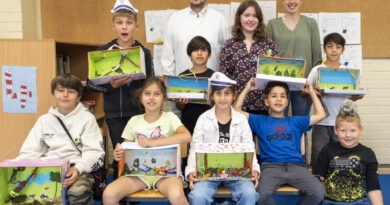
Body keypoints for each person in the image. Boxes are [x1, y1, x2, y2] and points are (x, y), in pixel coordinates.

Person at [87, 0, 154, 179]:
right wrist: (112, 85)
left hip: (138, 113)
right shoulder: (103, 51)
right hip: (114, 114)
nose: (124, 27)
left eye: (129, 22)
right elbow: (91, 84)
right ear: (113, 26)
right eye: (119, 23)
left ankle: (140, 188)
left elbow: (151, 84)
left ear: (136, 26)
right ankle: (120, 192)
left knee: (139, 154)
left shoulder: (144, 53)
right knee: (120, 153)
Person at [234, 78, 326, 205]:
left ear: (287, 102)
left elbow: (321, 114)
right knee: (260, 196)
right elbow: (236, 111)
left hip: (296, 167)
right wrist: (247, 89)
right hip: (270, 167)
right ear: (266, 102)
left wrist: (311, 92)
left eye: (282, 96)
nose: (278, 99)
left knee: (318, 192)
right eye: (274, 96)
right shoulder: (259, 121)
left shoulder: (296, 121)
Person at [17, 74, 105, 204]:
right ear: (53, 93)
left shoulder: (87, 119)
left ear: (78, 97)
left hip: (77, 168)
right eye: (60, 90)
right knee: (24, 194)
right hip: (47, 169)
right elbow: (30, 151)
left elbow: (95, 152)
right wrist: (19, 168)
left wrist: (78, 168)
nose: (65, 95)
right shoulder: (44, 120)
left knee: (77, 192)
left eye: (71, 92)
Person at [102, 77, 191, 205]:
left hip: (166, 176)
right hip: (138, 175)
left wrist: (154, 142)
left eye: (157, 94)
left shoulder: (170, 117)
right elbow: (125, 148)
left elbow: (186, 136)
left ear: (164, 98)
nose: (151, 98)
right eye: (147, 93)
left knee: (177, 196)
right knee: (109, 194)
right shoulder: (134, 120)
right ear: (141, 97)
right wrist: (118, 154)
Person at [185, 72, 260, 204]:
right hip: (208, 174)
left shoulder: (241, 120)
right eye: (218, 94)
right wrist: (191, 171)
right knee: (198, 196)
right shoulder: (203, 119)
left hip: (236, 174)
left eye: (227, 93)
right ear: (212, 96)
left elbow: (249, 147)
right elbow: (194, 148)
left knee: (249, 194)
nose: (222, 98)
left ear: (233, 96)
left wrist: (254, 169)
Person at [307, 32, 364, 171]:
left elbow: (351, 95)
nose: (334, 50)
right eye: (330, 46)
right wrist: (313, 91)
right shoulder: (317, 70)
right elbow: (305, 91)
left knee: (341, 156)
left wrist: (357, 96)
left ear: (343, 50)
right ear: (324, 49)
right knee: (318, 155)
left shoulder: (348, 72)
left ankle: (339, 182)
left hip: (342, 122)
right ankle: (317, 182)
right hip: (321, 122)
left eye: (338, 47)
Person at [313, 99, 384, 205]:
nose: (348, 135)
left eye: (353, 130)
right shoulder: (327, 150)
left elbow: (373, 186)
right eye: (343, 130)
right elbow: (318, 179)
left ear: (360, 130)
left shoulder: (368, 154)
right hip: (330, 202)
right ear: (335, 130)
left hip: (358, 202)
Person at [220, 0, 279, 115]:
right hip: (237, 106)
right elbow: (224, 78)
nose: (251, 20)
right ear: (239, 18)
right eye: (247, 15)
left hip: (264, 107)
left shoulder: (269, 45)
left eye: (255, 16)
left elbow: (275, 76)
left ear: (259, 20)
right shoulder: (229, 45)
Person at [266, 0, 322, 116]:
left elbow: (317, 56)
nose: (292, 2)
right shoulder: (272, 25)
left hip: (304, 86)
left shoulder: (311, 24)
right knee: (278, 123)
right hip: (278, 85)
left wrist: (314, 85)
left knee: (301, 124)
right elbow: (268, 56)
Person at [161, 0, 229, 76]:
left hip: (212, 84)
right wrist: (169, 84)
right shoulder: (174, 19)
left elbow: (227, 56)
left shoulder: (220, 19)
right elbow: (167, 58)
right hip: (181, 84)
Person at [175, 36, 214, 135]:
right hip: (189, 123)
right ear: (189, 55)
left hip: (210, 124)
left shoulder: (215, 77)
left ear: (209, 55)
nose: (200, 53)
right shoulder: (182, 77)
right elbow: (179, 107)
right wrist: (181, 103)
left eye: (204, 50)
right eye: (196, 50)